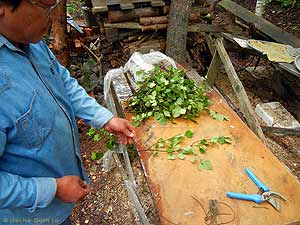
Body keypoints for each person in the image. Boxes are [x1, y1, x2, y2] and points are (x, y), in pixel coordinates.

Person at [0, 0, 135, 224]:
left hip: (58, 207)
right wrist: (51, 189)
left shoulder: (30, 40)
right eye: (45, 8)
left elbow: (62, 82)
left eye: (55, 8)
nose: (52, 19)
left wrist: (104, 118)